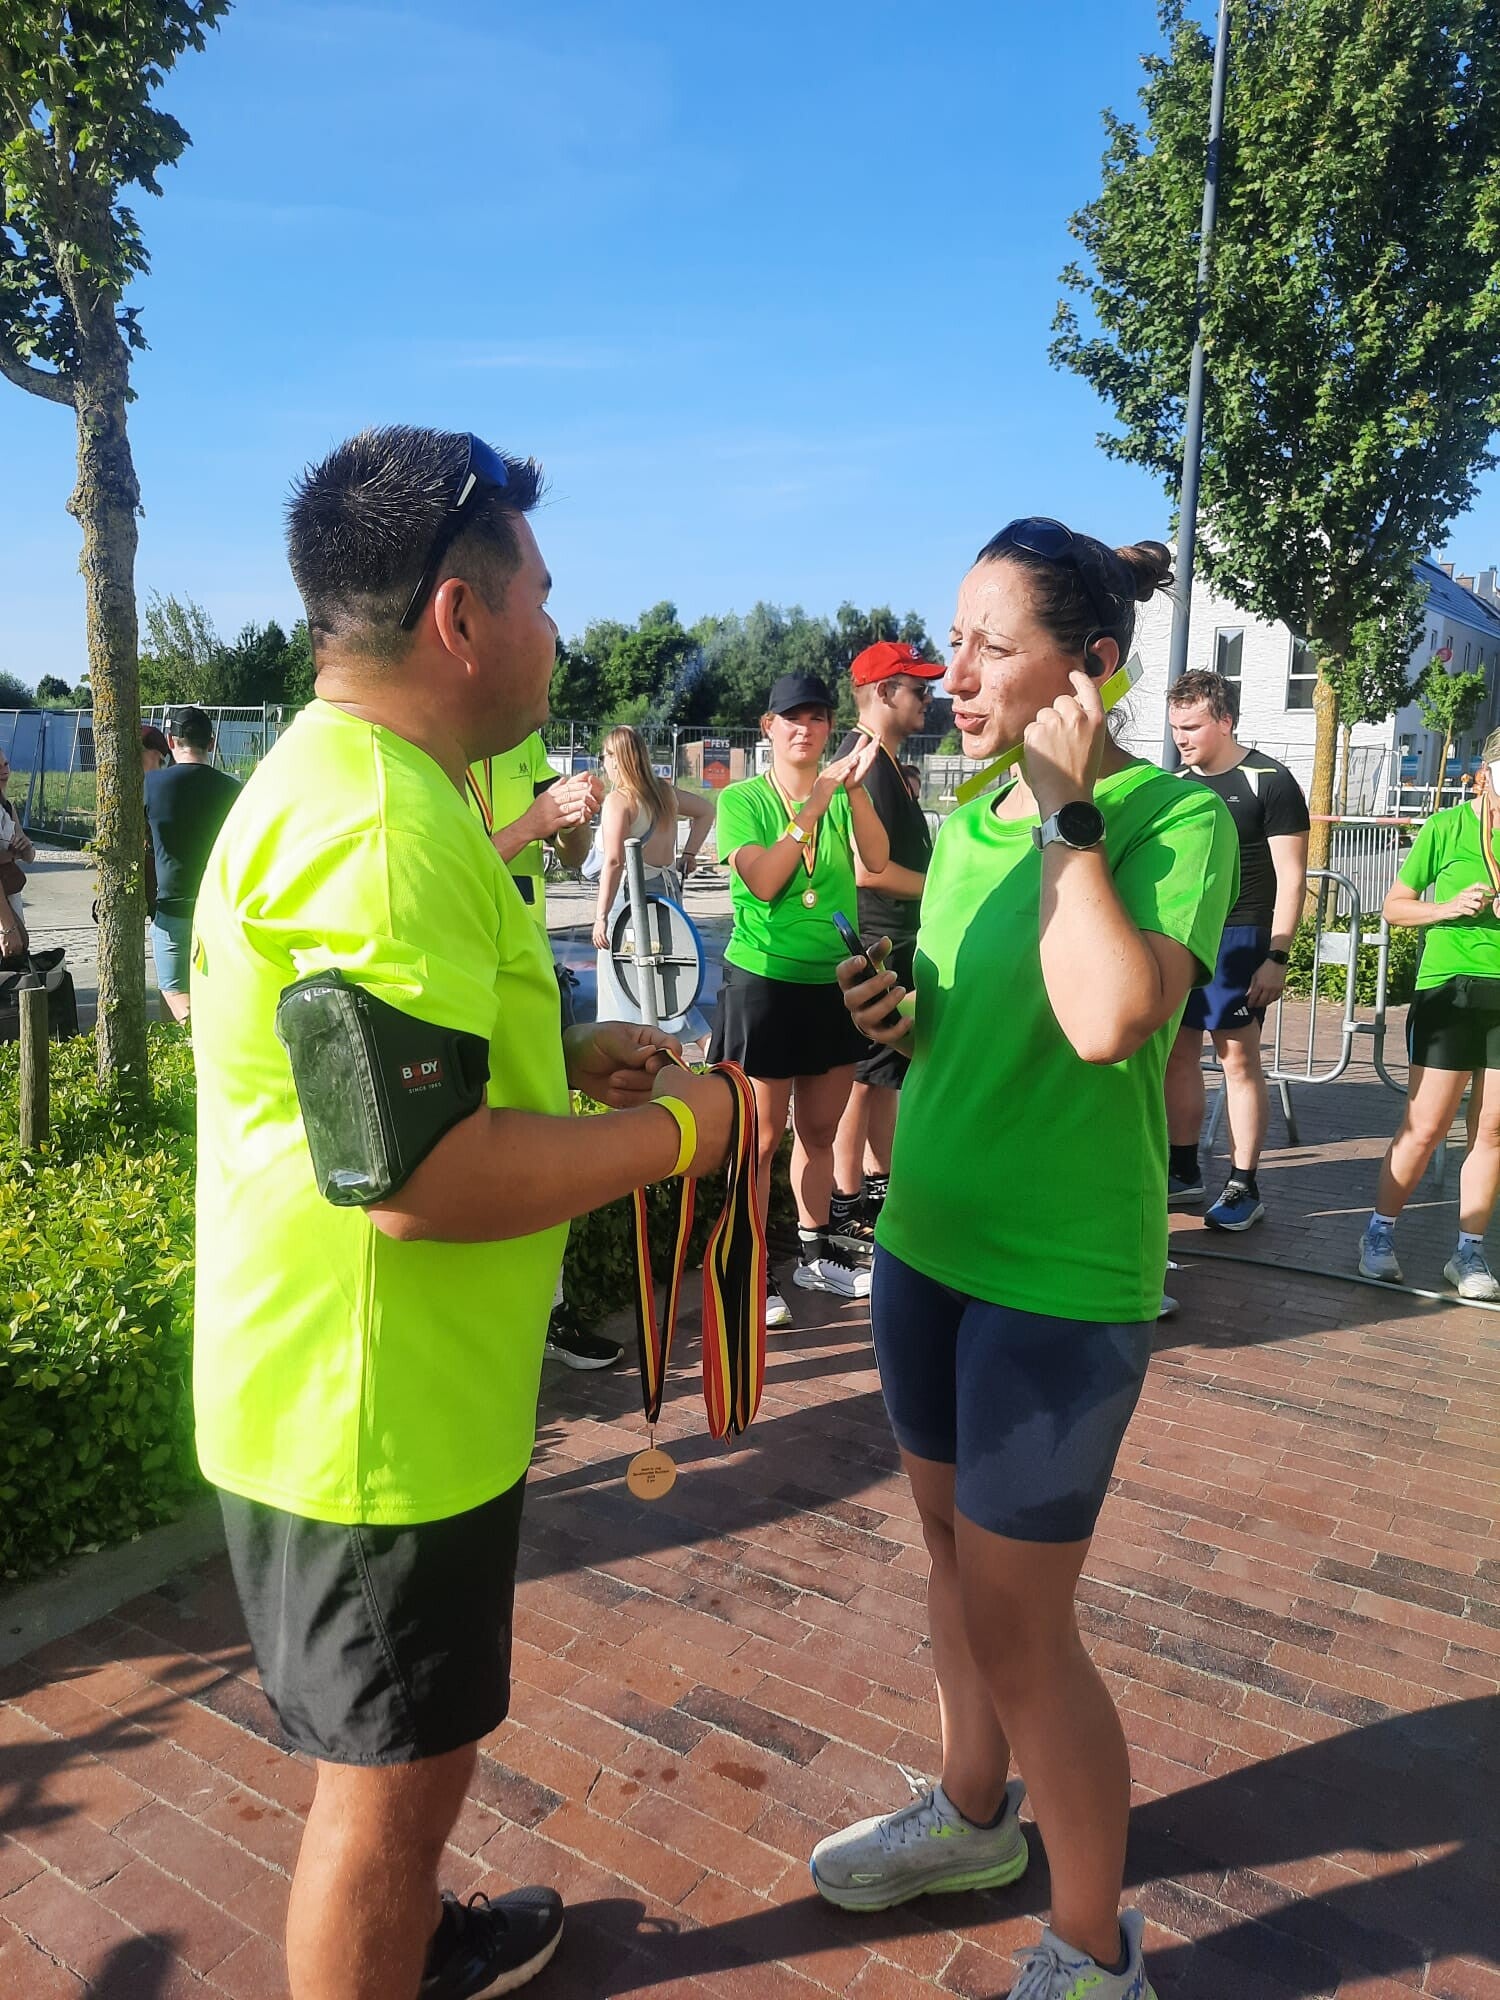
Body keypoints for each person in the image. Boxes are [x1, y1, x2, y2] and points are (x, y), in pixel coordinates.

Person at [190, 425, 734, 2000]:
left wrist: (559, 1061)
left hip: (373, 1399)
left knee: (408, 1755)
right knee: (387, 1786)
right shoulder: (381, 829)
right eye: (543, 596)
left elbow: (382, 1096)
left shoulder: (359, 787)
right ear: (460, 615)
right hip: (375, 1422)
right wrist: (682, 1134)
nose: (558, 630)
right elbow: (421, 1183)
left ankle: (417, 1948)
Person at [814, 518, 1237, 2000]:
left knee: (1022, 1620)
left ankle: (1094, 1944)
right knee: (947, 1557)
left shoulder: (1173, 822)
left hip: (1058, 1281)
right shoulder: (975, 819)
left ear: (1092, 666)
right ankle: (973, 1813)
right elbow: (973, 1021)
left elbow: (1110, 1016)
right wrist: (899, 1016)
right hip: (926, 1246)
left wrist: (1070, 813)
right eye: (956, 639)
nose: (957, 672)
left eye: (995, 645)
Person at [710, 672, 888, 1328]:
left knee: (818, 1130)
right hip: (763, 983)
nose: (805, 729)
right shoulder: (742, 800)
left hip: (830, 984)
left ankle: (815, 1251)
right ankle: (747, 1266)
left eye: (817, 718)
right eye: (792, 718)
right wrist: (811, 808)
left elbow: (876, 858)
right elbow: (762, 881)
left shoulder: (840, 795)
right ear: (769, 727)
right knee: (757, 1140)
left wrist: (854, 791)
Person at [465, 732, 621, 1367]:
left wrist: (572, 822)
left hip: (529, 970)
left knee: (545, 1134)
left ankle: (552, 1312)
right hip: (464, 966)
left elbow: (571, 855)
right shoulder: (424, 737)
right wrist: (531, 823)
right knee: (470, 1144)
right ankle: (485, 1317)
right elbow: (449, 867)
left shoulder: (523, 741)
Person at [1162, 669, 1309, 1230]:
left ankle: (1244, 1184)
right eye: (1176, 726)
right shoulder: (1175, 784)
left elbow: (1292, 878)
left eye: (1192, 726)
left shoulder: (1269, 780)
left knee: (1238, 1061)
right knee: (1178, 1055)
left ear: (1224, 721)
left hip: (1242, 937)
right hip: (1184, 936)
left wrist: (1278, 955)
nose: (1181, 737)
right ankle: (1182, 1171)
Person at [1359, 724, 1500, 1299]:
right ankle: (1379, 1232)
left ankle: (1469, 1252)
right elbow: (1395, 907)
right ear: (1486, 775)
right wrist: (1448, 908)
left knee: (1492, 1128)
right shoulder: (1447, 827)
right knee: (1426, 1125)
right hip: (1450, 989)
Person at [828, 641, 943, 1257]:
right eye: (919, 688)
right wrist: (941, 888)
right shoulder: (865, 762)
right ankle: (845, 1205)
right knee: (862, 1081)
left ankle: (876, 1192)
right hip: (875, 938)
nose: (930, 698)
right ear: (882, 693)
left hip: (890, 939)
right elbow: (865, 869)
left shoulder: (883, 760)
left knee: (883, 1077)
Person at [143, 707, 241, 1024]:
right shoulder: (234, 791)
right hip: (220, 909)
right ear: (211, 743)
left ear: (171, 741)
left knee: (174, 991)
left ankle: (193, 1035)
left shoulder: (150, 785)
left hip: (172, 909)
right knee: (219, 992)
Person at [590, 724, 714, 966]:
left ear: (616, 759)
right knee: (666, 966)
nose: (603, 764)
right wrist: (689, 854)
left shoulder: (619, 800)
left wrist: (600, 917)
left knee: (621, 970)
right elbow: (706, 811)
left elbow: (614, 861)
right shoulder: (665, 792)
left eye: (603, 757)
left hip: (632, 893)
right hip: (668, 890)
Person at [0, 747, 36, 961]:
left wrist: (25, 847)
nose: (4, 771)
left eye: (5, 764)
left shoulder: (5, 805)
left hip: (10, 897)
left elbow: (30, 856)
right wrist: (8, 927)